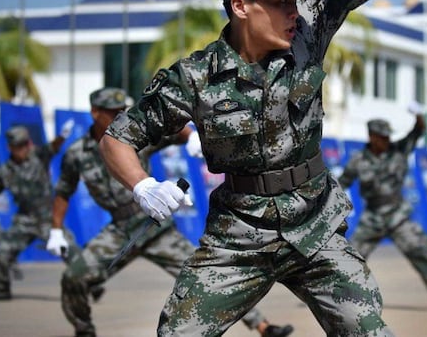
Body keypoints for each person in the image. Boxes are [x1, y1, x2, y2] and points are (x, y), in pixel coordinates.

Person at [98, 0, 393, 336]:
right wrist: (142, 186)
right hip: (237, 237)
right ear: (240, 7)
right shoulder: (195, 77)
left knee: (367, 331)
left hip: (315, 227)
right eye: (279, 3)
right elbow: (117, 139)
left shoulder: (310, 24)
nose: (293, 11)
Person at [50, 87, 294, 337]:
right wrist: (56, 230)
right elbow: (63, 192)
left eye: (121, 110)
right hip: (120, 230)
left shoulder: (132, 138)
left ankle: (263, 327)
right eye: (112, 111)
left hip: (154, 225)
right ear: (95, 112)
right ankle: (84, 330)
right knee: (74, 277)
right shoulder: (76, 154)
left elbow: (170, 131)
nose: (119, 115)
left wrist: (190, 137)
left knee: (206, 276)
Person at [337, 110, 427, 311]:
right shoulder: (358, 160)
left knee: (420, 250)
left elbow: (416, 134)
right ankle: (336, 298)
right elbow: (342, 183)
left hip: (398, 215)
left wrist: (420, 122)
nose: (387, 140)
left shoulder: (399, 150)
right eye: (383, 137)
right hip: (373, 216)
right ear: (372, 136)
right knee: (351, 257)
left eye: (389, 136)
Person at [0, 121, 84, 301]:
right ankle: (3, 289)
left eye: (26, 144)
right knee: (2, 252)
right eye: (19, 146)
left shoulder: (38, 156)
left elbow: (53, 147)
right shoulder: (5, 171)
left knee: (72, 252)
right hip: (24, 220)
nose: (24, 148)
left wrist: (62, 135)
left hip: (48, 219)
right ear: (11, 147)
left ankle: (90, 285)